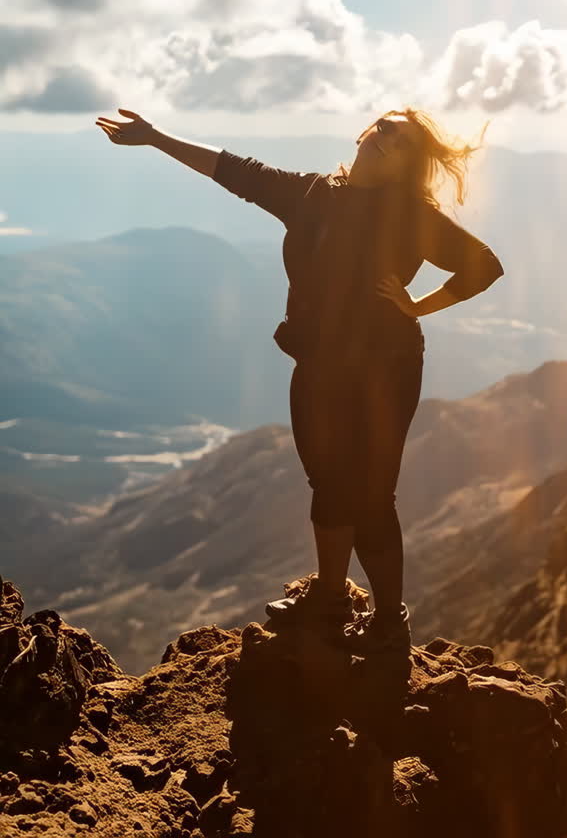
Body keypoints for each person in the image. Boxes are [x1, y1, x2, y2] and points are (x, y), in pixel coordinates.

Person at [95, 106, 504, 655]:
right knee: (328, 482)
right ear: (365, 131)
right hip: (319, 363)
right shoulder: (310, 195)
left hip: (386, 368)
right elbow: (231, 169)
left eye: (401, 142)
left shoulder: (409, 215)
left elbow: (482, 264)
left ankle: (388, 623)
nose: (385, 139)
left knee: (373, 496)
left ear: (409, 164)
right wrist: (154, 138)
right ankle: (332, 599)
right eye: (383, 127)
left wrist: (416, 307)